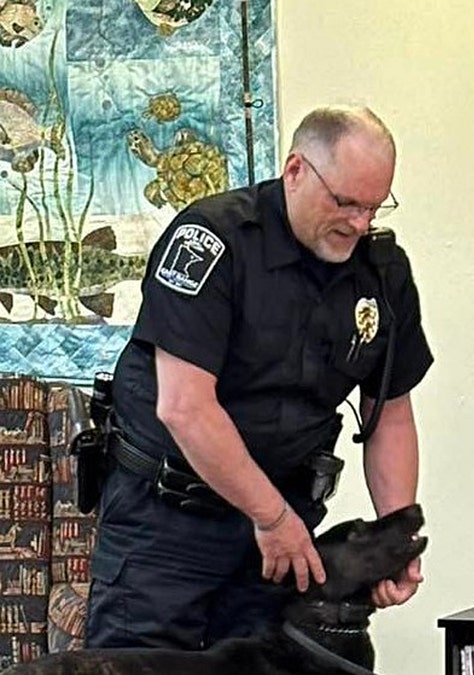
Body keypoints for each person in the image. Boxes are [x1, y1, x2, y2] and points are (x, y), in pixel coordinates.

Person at [85, 106, 434, 650]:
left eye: (374, 205)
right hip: (167, 524)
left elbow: (389, 412)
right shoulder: (212, 242)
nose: (361, 223)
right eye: (345, 203)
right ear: (296, 170)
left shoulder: (382, 273)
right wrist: (270, 517)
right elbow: (185, 407)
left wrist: (397, 540)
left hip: (279, 536)